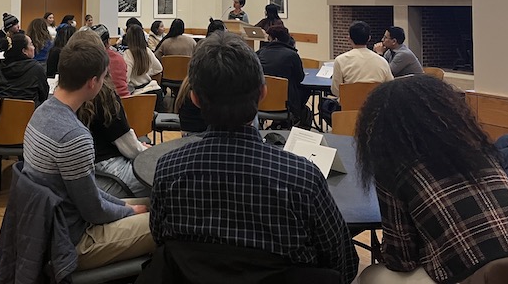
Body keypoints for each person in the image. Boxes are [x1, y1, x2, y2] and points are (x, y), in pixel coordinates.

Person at [146, 33, 358, 283]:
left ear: (194, 98)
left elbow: (162, 239)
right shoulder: (302, 179)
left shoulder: (168, 170)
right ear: (263, 93)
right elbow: (342, 264)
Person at [355, 77, 508, 284]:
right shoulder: (483, 152)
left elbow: (402, 260)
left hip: (474, 276)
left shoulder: (395, 169)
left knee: (369, 275)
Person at [21, 31, 154, 270]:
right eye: (104, 77)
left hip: (48, 229)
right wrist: (129, 211)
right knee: (169, 220)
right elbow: (94, 211)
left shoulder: (39, 114)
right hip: (72, 241)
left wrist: (127, 207)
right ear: (93, 82)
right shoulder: (74, 137)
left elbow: (88, 192)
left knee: (153, 203)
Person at [75, 32, 149, 197]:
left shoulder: (66, 92)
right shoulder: (103, 94)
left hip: (86, 172)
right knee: (165, 176)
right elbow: (128, 147)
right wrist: (146, 153)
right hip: (109, 172)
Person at [321, 21, 393, 126]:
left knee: (324, 105)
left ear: (349, 38)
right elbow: (390, 87)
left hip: (347, 111)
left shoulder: (340, 60)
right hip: (375, 110)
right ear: (369, 38)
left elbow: (336, 91)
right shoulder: (382, 61)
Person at [257, 25, 309, 128]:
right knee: (304, 94)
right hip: (287, 104)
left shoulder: (259, 53)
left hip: (261, 102)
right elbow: (300, 78)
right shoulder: (292, 55)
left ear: (274, 39)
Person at [0, 32, 48, 106]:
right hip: (30, 115)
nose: (34, 47)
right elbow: (43, 95)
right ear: (24, 51)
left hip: (3, 114)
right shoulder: (36, 69)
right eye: (31, 44)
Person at [122, 24, 163, 100]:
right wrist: (147, 72)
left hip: (138, 94)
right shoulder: (148, 51)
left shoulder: (128, 53)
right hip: (155, 91)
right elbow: (159, 68)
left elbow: (126, 78)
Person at [91, 24, 129, 99]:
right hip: (127, 100)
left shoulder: (91, 59)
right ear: (108, 41)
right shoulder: (119, 57)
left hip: (105, 102)